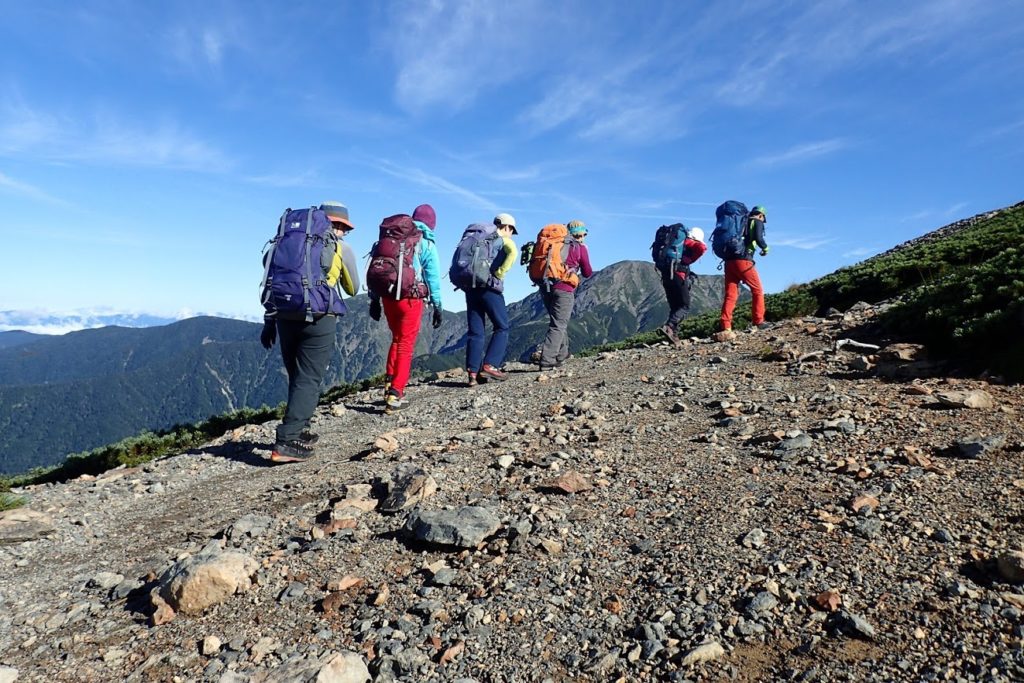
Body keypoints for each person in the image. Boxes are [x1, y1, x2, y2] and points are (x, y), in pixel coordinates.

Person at [261, 201, 359, 463]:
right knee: (309, 378)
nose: (344, 233)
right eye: (343, 228)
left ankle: (299, 428)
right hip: (318, 317)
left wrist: (269, 321)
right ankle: (287, 440)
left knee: (296, 374)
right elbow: (353, 288)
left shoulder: (282, 243)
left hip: (283, 314)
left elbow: (272, 280)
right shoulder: (339, 247)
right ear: (335, 224)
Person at [369, 204, 444, 413]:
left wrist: (374, 299)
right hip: (410, 298)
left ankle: (388, 383)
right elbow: (433, 279)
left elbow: (378, 269)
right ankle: (396, 393)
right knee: (406, 343)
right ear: (432, 224)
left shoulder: (391, 238)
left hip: (388, 295)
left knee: (396, 338)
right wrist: (438, 306)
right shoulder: (426, 243)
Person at [464, 213, 518, 386]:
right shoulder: (502, 238)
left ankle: (473, 373)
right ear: (507, 227)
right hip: (489, 287)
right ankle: (490, 365)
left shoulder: (478, 236)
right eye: (512, 230)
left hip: (471, 287)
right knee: (502, 326)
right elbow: (513, 253)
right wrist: (500, 274)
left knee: (475, 331)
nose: (511, 233)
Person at [537, 219, 593, 370]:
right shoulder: (579, 247)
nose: (583, 238)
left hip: (545, 286)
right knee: (559, 324)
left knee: (558, 322)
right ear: (581, 234)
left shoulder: (553, 244)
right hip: (564, 288)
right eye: (583, 235)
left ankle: (561, 355)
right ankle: (547, 361)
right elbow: (587, 272)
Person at [720, 205, 769, 335]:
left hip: (729, 261)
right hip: (743, 261)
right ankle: (759, 321)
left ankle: (726, 326)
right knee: (757, 290)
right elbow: (759, 238)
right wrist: (765, 248)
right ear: (761, 215)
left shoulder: (740, 222)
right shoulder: (756, 221)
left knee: (731, 295)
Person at [658, 227, 706, 345]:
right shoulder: (689, 243)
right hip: (678, 275)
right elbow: (703, 248)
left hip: (666, 274)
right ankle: (669, 327)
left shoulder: (674, 245)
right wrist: (693, 251)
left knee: (675, 306)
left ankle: (673, 335)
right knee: (685, 305)